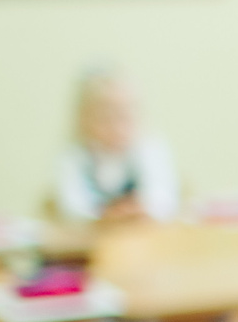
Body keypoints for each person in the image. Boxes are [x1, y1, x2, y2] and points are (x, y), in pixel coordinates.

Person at [53, 65, 179, 224]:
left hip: (143, 236)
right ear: (83, 119)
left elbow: (163, 200)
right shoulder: (75, 155)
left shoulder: (150, 147)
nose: (117, 127)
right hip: (94, 239)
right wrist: (104, 215)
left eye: (125, 115)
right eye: (105, 117)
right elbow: (73, 208)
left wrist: (142, 209)